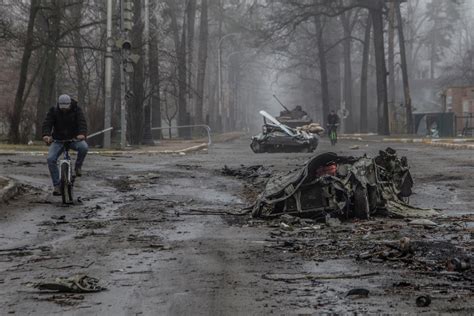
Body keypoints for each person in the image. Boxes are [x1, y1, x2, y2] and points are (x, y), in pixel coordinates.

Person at [42, 94, 88, 195]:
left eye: (66, 107)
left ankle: (78, 167)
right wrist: (46, 135)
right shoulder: (53, 110)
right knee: (51, 159)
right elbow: (47, 123)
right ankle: (57, 185)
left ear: (70, 104)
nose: (64, 110)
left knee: (84, 147)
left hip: (74, 139)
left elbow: (82, 122)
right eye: (62, 108)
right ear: (59, 104)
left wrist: (82, 134)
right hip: (58, 140)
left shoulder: (77, 110)